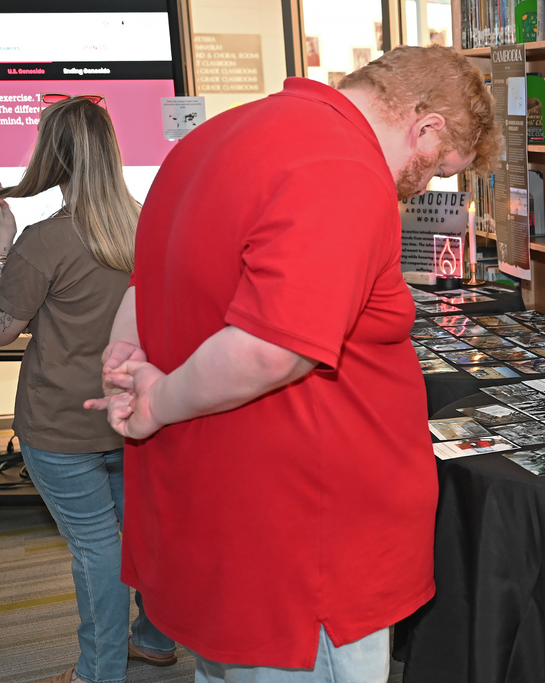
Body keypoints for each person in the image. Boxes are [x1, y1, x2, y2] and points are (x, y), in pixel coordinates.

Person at [86, 45, 500, 682]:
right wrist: (154, 402)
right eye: (438, 169)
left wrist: (124, 359)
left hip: (225, 525)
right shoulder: (341, 167)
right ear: (426, 125)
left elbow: (148, 284)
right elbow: (271, 348)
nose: (423, 186)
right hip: (308, 555)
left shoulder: (217, 136)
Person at [0, 98, 177, 683]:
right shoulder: (151, 220)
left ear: (51, 156)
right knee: (147, 536)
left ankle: (98, 672)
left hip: (60, 425)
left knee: (95, 548)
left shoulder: (42, 241)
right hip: (136, 414)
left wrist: (1, 249)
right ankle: (153, 639)